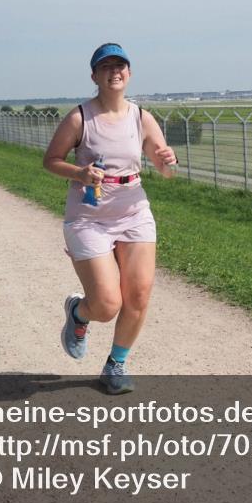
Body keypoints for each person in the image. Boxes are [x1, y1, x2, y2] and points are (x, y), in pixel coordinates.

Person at [43, 43, 178, 394]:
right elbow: (51, 160)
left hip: (133, 211)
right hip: (88, 217)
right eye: (106, 67)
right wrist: (80, 173)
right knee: (106, 305)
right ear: (95, 76)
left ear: (129, 73)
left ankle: (116, 364)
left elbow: (164, 169)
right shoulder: (79, 118)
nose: (114, 72)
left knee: (139, 294)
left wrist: (167, 161)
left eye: (120, 66)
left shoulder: (141, 117)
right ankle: (78, 314)